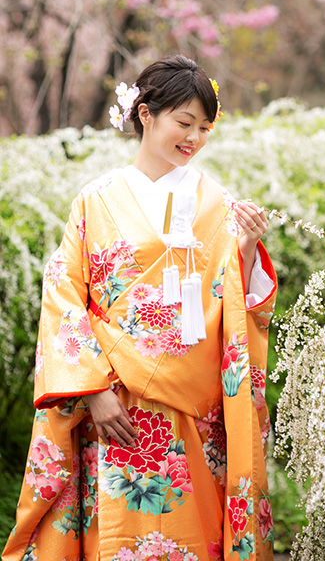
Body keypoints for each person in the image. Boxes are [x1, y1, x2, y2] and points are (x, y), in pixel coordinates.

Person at [3, 55, 277, 561]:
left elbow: (236, 300)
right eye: (183, 122)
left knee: (194, 533)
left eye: (204, 127)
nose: (193, 138)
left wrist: (244, 250)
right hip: (114, 402)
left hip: (196, 408)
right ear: (146, 114)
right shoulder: (96, 200)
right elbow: (64, 294)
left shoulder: (216, 202)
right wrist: (93, 392)